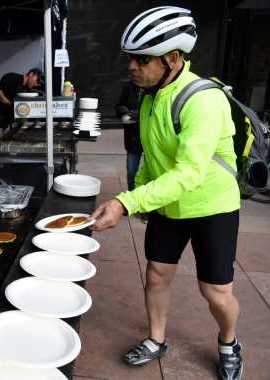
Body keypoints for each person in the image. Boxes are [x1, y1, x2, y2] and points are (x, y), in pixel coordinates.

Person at [90, 6, 243, 380]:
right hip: (169, 205)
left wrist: (127, 203)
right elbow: (151, 156)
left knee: (215, 292)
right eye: (130, 58)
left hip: (212, 206)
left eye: (142, 59)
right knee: (156, 274)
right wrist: (141, 193)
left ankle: (229, 341)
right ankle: (157, 340)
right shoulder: (148, 96)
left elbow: (189, 172)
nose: (132, 67)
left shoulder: (203, 100)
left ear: (172, 59)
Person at [0, 68, 43, 148]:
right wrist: (10, 105)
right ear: (31, 74)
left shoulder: (26, 89)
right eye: (37, 80)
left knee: (3, 150)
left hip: (7, 124)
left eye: (39, 83)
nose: (37, 84)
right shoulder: (12, 77)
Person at [116, 81, 143, 191]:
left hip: (151, 137)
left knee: (152, 171)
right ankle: (132, 197)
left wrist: (140, 114)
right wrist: (127, 112)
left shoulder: (155, 88)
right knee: (132, 171)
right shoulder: (129, 87)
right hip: (133, 137)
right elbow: (119, 106)